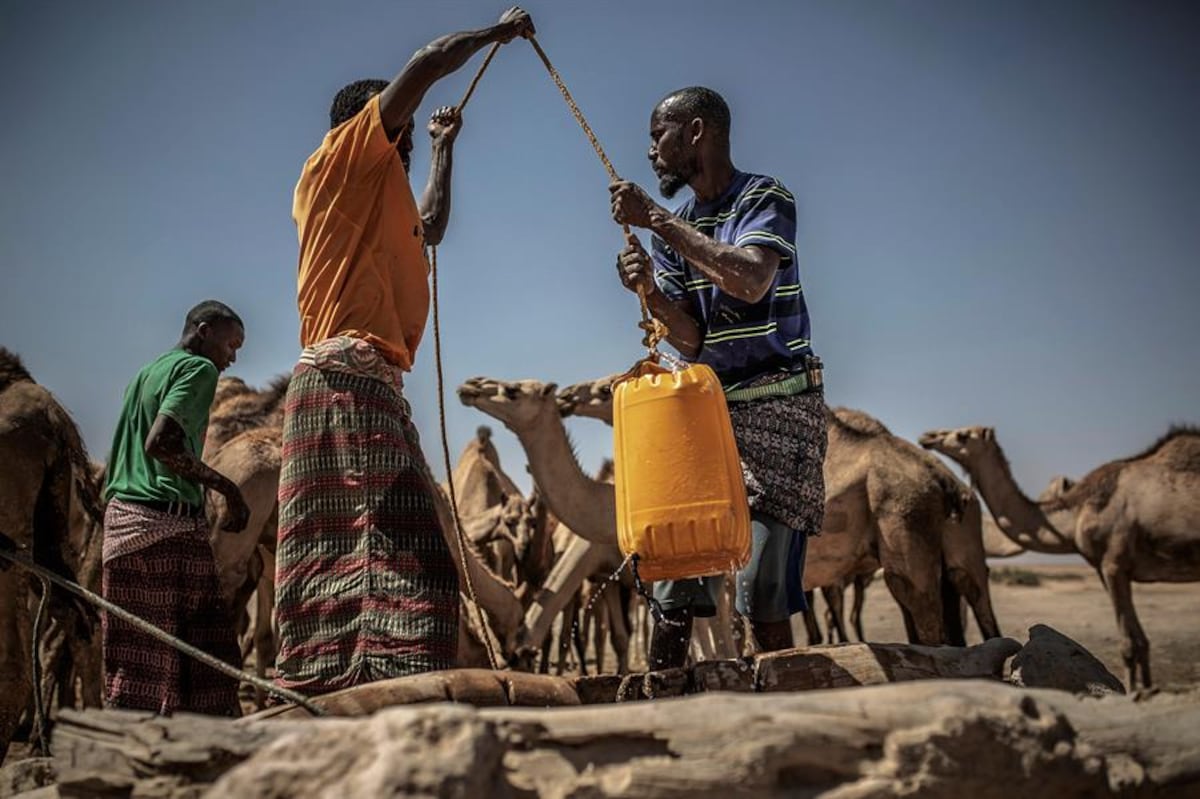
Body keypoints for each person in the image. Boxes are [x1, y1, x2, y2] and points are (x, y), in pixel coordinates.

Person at [274, 7, 536, 695]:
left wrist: (444, 147)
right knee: (413, 558)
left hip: (365, 386)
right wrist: (495, 34)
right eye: (402, 126)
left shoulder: (379, 198)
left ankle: (343, 690)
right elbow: (426, 62)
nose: (408, 139)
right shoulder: (342, 160)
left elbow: (433, 227)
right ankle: (373, 695)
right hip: (346, 381)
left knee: (366, 553)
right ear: (368, 123)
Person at [610, 86, 827, 669]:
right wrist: (649, 292)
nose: (651, 152)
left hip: (780, 409)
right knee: (673, 584)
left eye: (658, 136)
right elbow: (691, 340)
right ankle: (662, 703)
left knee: (761, 593)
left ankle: (780, 708)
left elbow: (751, 280)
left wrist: (655, 220)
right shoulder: (677, 228)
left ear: (696, 132)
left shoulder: (763, 197)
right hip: (708, 417)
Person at [101, 300, 249, 715]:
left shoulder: (147, 372)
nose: (232, 358)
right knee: (207, 662)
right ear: (204, 331)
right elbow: (161, 443)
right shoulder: (198, 369)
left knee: (136, 663)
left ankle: (126, 744)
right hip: (167, 529)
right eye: (231, 345)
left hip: (122, 527)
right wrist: (229, 490)